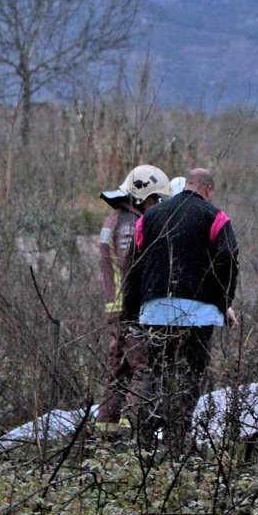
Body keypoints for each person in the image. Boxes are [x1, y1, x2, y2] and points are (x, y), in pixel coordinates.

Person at [122, 168, 239, 451]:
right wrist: (223, 302)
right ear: (208, 190)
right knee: (191, 371)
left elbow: (132, 265)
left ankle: (145, 439)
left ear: (186, 185)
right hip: (200, 313)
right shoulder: (216, 216)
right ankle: (179, 435)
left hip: (154, 308)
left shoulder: (149, 217)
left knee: (156, 370)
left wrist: (131, 311)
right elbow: (228, 258)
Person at [95, 164, 173, 436]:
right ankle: (134, 436)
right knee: (142, 370)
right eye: (154, 199)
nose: (156, 206)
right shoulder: (129, 225)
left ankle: (105, 434)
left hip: (116, 310)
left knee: (116, 373)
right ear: (141, 195)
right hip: (129, 310)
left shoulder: (115, 219)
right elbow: (132, 267)